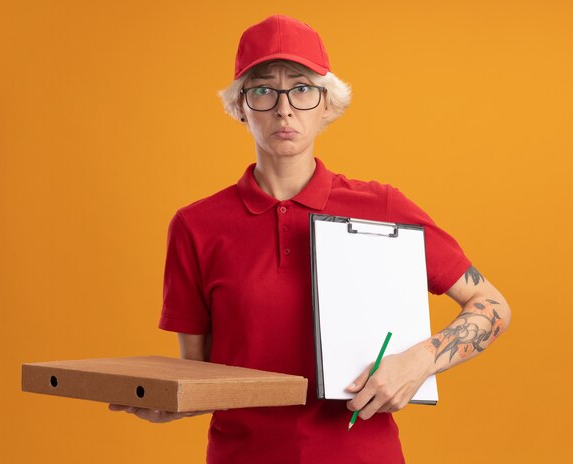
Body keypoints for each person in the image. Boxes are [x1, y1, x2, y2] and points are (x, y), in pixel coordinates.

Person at [109, 14, 511, 464]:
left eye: (301, 88)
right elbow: (202, 375)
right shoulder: (195, 226)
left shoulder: (382, 207)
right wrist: (172, 403)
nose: (284, 108)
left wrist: (419, 361)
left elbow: (492, 306)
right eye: (263, 90)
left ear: (327, 104)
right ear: (240, 106)